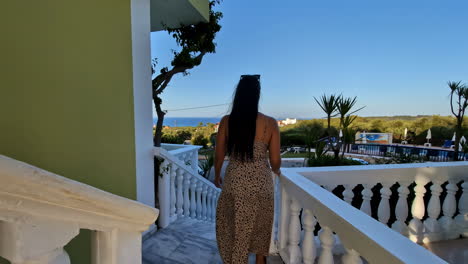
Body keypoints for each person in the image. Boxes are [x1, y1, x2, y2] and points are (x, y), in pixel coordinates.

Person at [214, 75, 281, 264]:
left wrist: (217, 174)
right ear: (257, 96)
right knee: (261, 229)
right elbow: (275, 160)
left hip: (235, 181)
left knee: (233, 227)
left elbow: (218, 155)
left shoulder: (227, 121)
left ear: (238, 95)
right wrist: (276, 170)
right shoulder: (271, 123)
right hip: (261, 182)